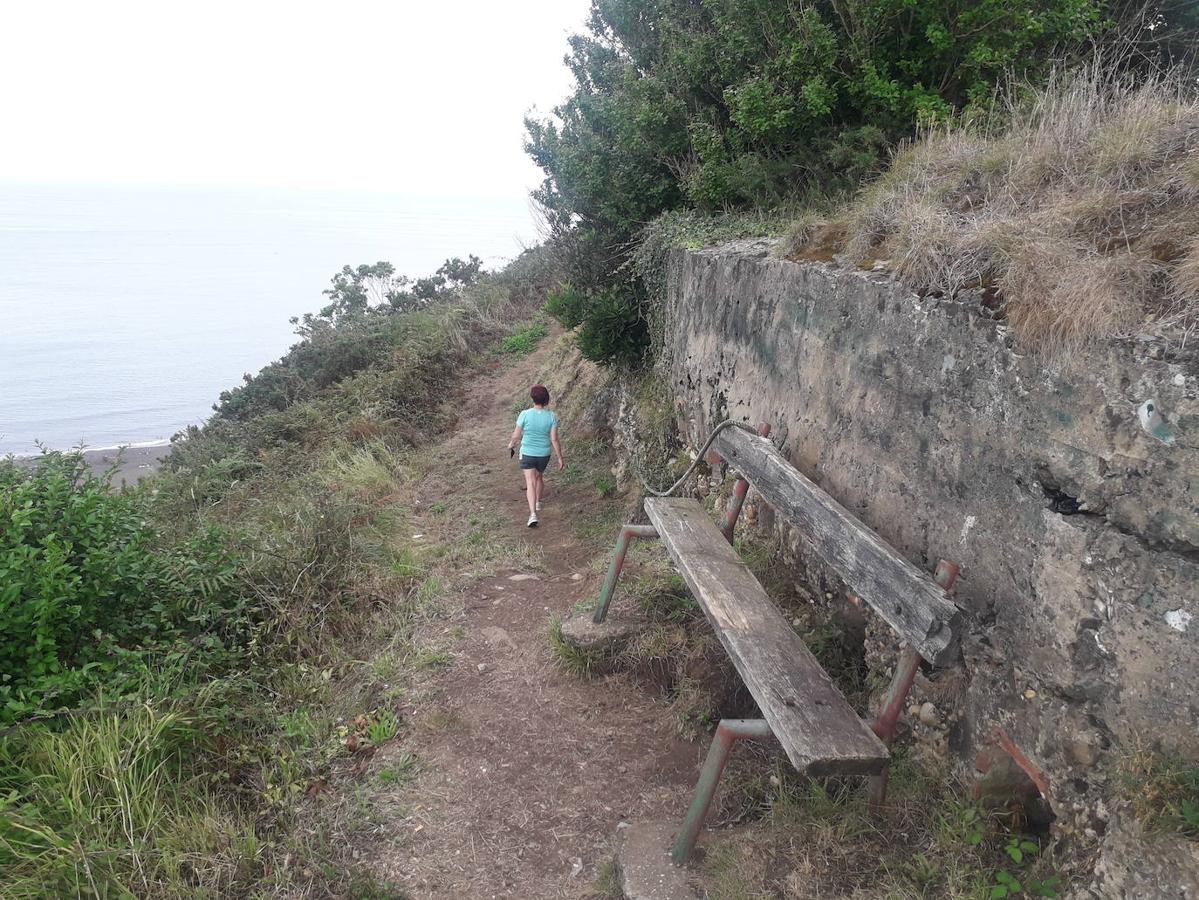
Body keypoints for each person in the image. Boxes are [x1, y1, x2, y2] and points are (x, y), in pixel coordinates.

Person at [507, 384, 564, 527]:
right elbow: (554, 439)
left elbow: (517, 434)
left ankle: (533, 514)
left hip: (527, 453)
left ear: (533, 398)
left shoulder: (524, 414)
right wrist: (559, 457)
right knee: (539, 477)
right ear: (546, 399)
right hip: (543, 454)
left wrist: (511, 445)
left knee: (530, 481)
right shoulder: (552, 416)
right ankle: (538, 502)